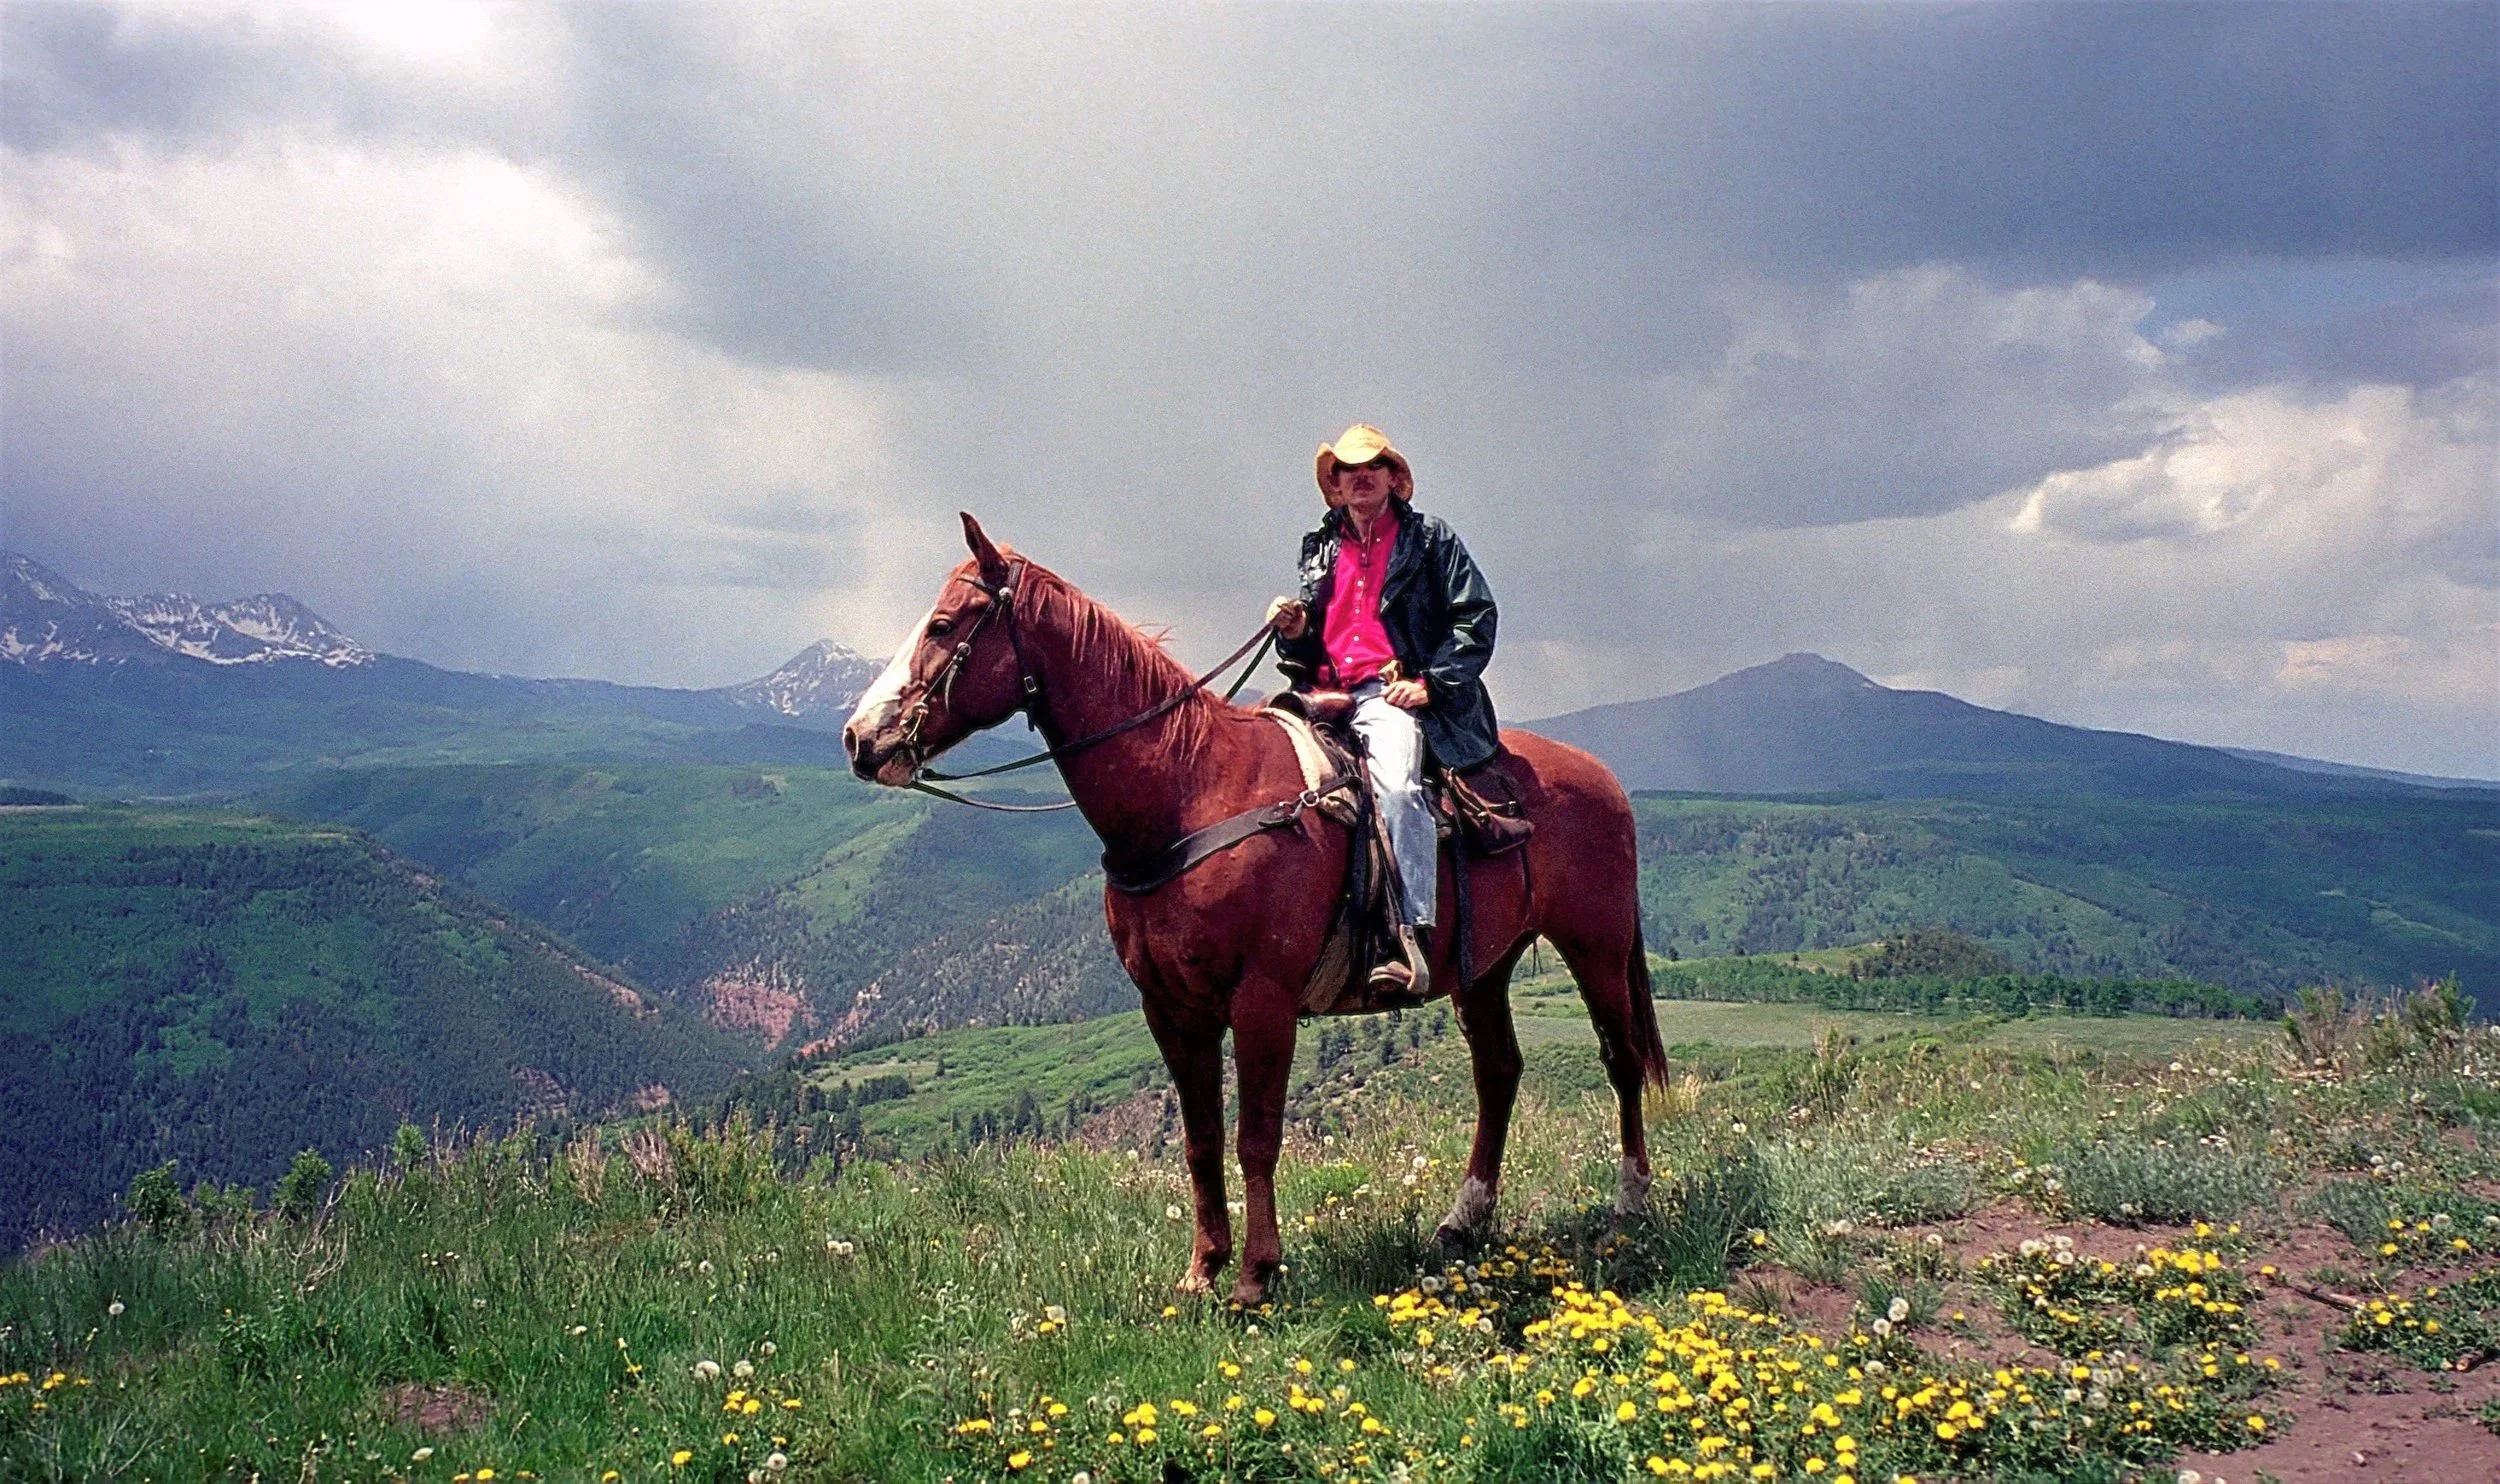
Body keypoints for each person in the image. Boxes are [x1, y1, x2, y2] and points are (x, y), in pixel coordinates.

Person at [1268, 424, 1499, 1000]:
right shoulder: (1319, 548)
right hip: (1323, 693)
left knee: (1396, 787)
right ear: (1337, 487)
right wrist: (1296, 634)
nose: (1360, 476)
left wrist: (1432, 685)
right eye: (1348, 470)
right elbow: (1317, 640)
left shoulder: (1430, 539)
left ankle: (1409, 934)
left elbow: (1476, 617)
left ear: (1394, 480)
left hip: (1390, 693)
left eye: (1373, 466)